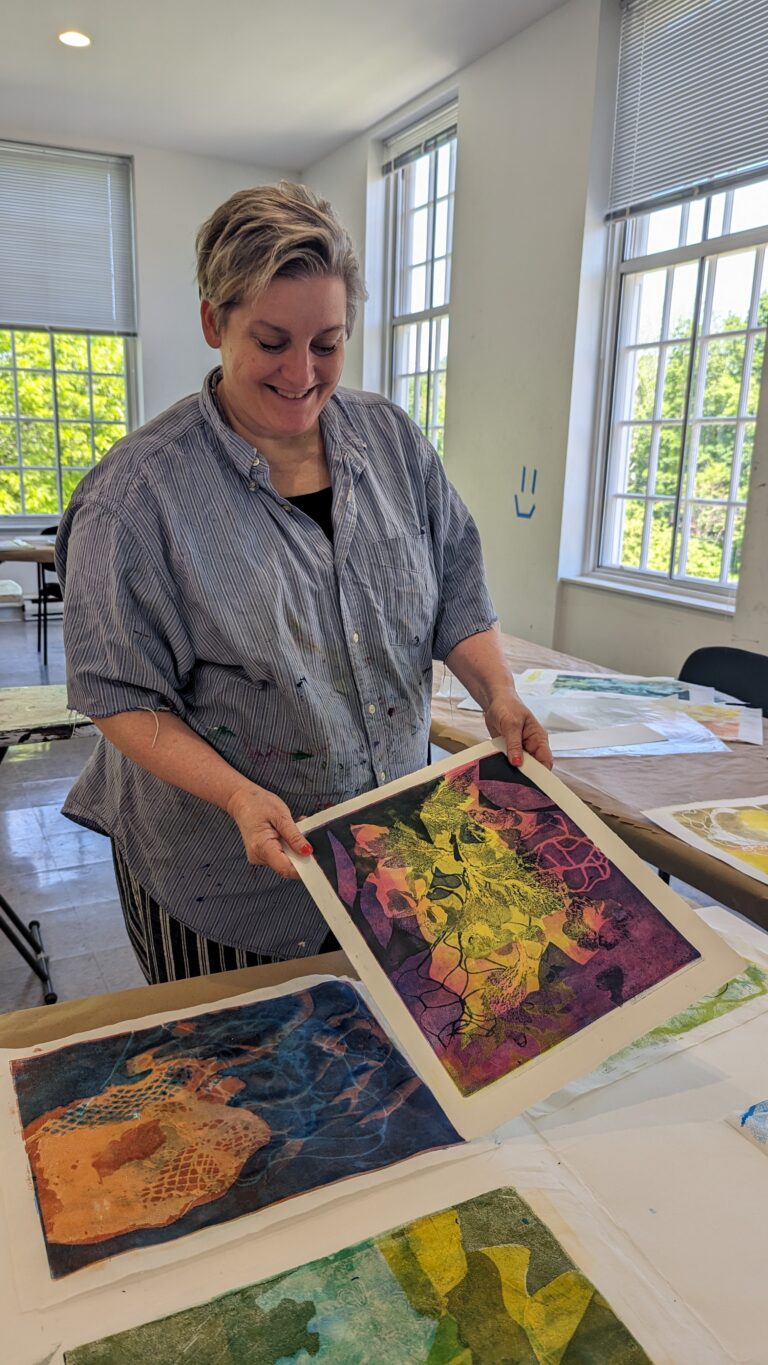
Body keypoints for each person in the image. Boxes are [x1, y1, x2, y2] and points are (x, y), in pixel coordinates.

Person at [56, 181, 552, 984]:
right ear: (215, 321)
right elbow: (119, 692)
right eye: (273, 340)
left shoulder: (390, 441)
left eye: (327, 343)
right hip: (225, 882)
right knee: (246, 1088)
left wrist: (496, 690)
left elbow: (456, 587)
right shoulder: (139, 495)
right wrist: (237, 796)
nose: (302, 373)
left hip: (387, 856)